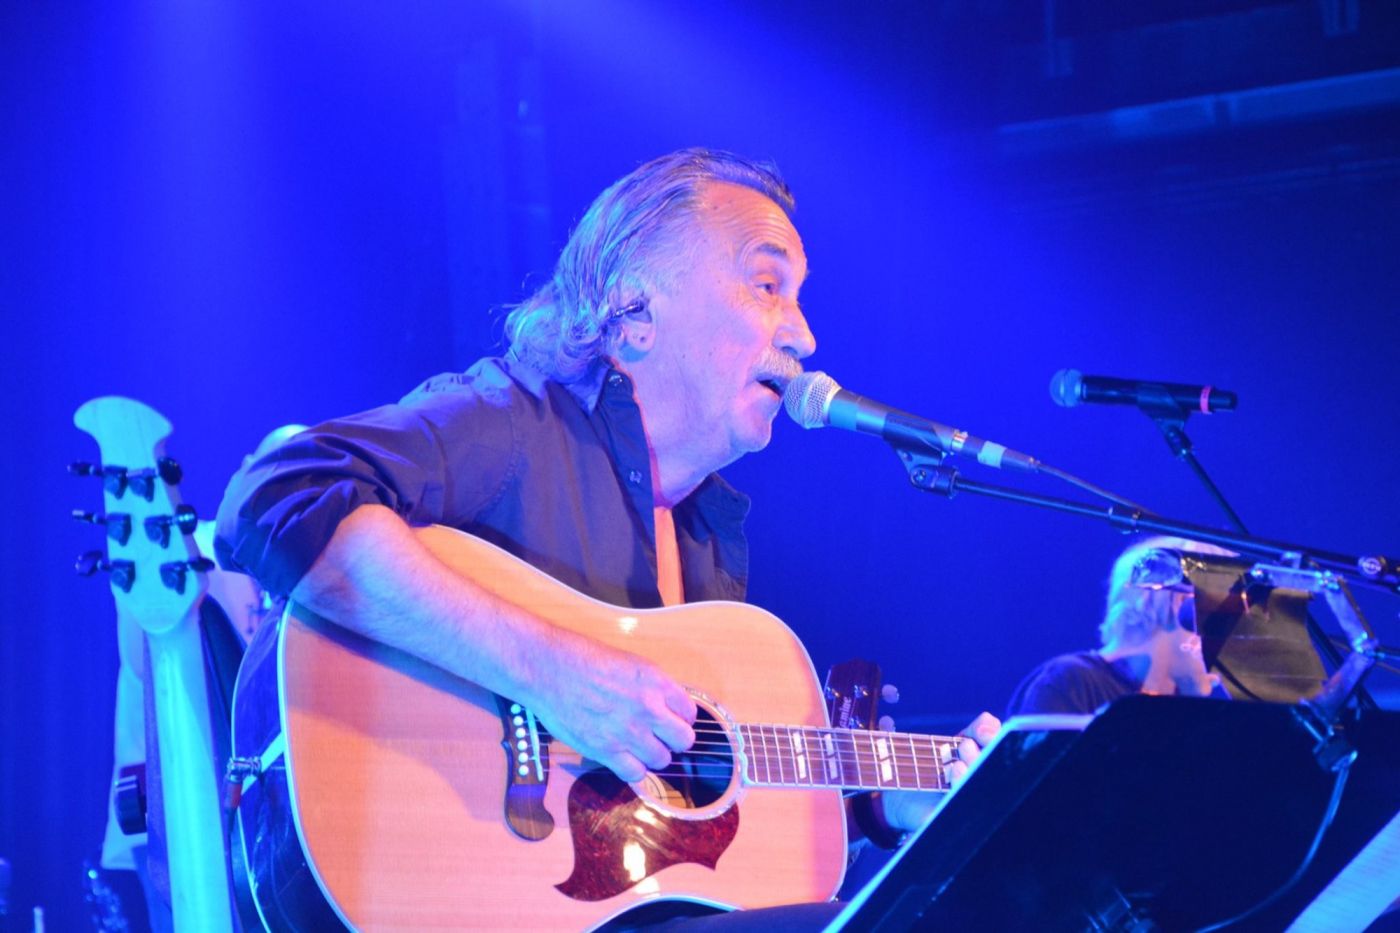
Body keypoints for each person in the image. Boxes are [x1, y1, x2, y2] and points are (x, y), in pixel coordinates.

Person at [215, 148, 998, 928]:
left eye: (798, 297)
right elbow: (277, 495)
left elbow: (686, 836)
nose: (804, 336)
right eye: (768, 285)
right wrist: (549, 671)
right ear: (634, 311)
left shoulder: (707, 538)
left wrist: (877, 807)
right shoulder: (513, 425)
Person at [1006, 535, 1234, 717]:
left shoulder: (1193, 695)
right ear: (1178, 604)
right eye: (1219, 603)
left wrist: (1200, 702)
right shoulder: (1072, 682)